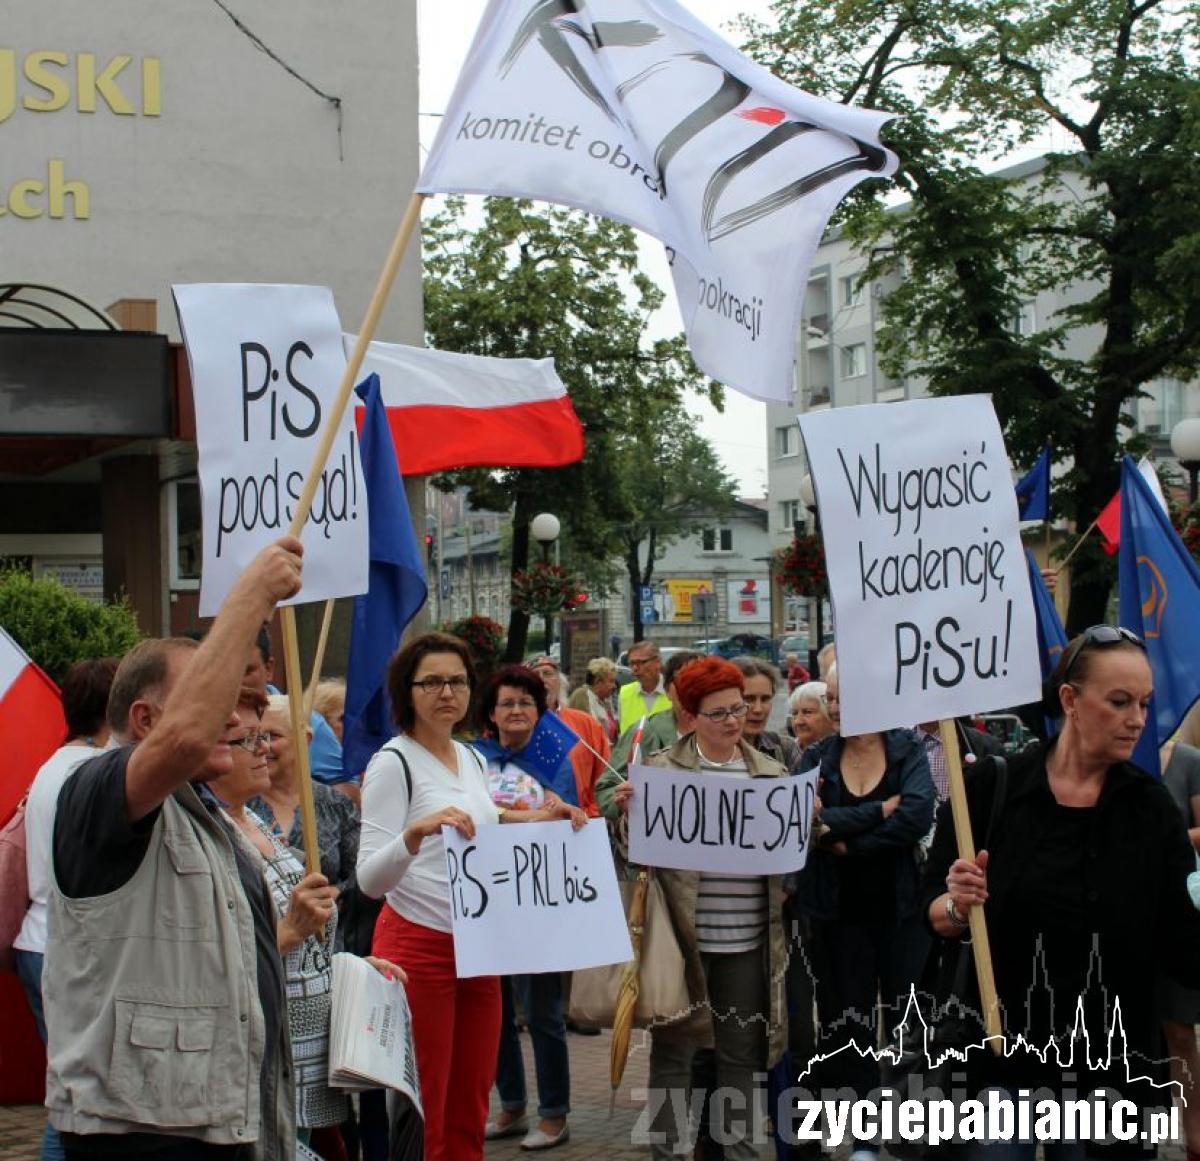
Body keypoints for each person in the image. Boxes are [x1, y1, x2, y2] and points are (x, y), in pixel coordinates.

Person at [44, 537, 305, 1159]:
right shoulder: (97, 788)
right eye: (214, 700)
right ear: (145, 721)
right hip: (141, 1133)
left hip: (212, 1119)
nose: (236, 722)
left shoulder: (205, 814)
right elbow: (185, 739)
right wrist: (252, 595)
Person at [927, 626, 1200, 1161]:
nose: (1137, 719)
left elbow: (1183, 945)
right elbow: (934, 913)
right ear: (1070, 700)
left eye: (1144, 703)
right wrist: (958, 903)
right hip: (1003, 1058)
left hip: (1113, 1072)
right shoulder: (992, 789)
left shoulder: (1152, 809)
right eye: (1119, 702)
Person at [357, 633, 586, 1161]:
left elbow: (484, 820)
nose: (447, 692)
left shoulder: (468, 756)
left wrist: (540, 816)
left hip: (480, 944)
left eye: (457, 681)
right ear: (407, 690)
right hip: (418, 944)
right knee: (427, 1100)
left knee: (472, 1095)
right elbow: (369, 879)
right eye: (432, 682)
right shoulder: (394, 762)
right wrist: (415, 833)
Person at [611, 656, 791, 1160]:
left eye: (738, 708)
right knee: (673, 1057)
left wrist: (808, 818)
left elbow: (792, 855)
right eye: (719, 713)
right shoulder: (659, 771)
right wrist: (629, 818)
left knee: (741, 1059)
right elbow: (633, 855)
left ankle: (743, 1154)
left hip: (746, 942)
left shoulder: (770, 774)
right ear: (690, 717)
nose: (733, 720)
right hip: (680, 943)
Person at [796, 666, 935, 1161]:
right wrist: (876, 812)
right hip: (837, 912)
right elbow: (803, 822)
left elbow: (917, 814)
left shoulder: (906, 748)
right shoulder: (816, 756)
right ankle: (861, 1136)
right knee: (847, 1025)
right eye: (830, 698)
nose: (834, 707)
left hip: (900, 908)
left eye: (844, 697)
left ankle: (907, 1132)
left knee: (907, 1023)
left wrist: (849, 842)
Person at [207, 690, 352, 1150]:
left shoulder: (251, 819)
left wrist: (353, 972)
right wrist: (290, 930)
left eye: (265, 737)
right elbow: (216, 956)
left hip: (303, 1047)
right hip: (265, 1049)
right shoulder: (210, 834)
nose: (263, 749)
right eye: (248, 740)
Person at [474, 665, 583, 1150]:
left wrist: (546, 815)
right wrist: (528, 816)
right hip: (485, 903)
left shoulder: (555, 760)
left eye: (526, 702)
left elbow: (564, 818)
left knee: (542, 1012)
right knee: (493, 1012)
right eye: (507, 703)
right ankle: (512, 1105)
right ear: (491, 713)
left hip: (536, 904)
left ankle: (554, 1113)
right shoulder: (473, 760)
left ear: (540, 712)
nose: (516, 710)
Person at [14, 656, 117, 1161]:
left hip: (42, 940)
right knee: (79, 1098)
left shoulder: (54, 765)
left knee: (72, 1090)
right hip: (68, 947)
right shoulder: (92, 771)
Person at [249, 695, 360, 947]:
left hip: (327, 952)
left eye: (273, 736)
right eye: (255, 737)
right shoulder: (239, 805)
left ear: (305, 739)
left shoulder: (335, 805)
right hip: (264, 948)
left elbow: (362, 873)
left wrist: (338, 892)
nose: (262, 746)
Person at [1160, 736, 1200, 1161]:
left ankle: (1194, 1137)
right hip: (1124, 919)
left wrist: (1164, 838)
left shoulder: (1187, 761)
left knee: (1180, 1031)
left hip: (1177, 917)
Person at [602, 650, 702, 788]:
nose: (692, 689)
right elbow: (608, 785)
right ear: (668, 690)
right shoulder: (643, 731)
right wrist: (622, 797)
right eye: (683, 681)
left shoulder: (728, 732)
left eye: (701, 681)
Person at [527, 654, 609, 817]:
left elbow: (604, 777)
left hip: (582, 821)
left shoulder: (586, 723)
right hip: (530, 822)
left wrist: (592, 812)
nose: (541, 680)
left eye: (547, 673)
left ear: (559, 682)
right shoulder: (513, 727)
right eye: (534, 675)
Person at [732, 656, 801, 771]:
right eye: (748, 699)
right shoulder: (703, 754)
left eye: (765, 699)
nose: (758, 709)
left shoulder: (785, 749)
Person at [618, 640, 673, 734]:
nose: (635, 668)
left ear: (657, 662)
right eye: (632, 663)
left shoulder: (675, 691)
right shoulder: (624, 693)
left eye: (640, 662)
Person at [567, 657, 619, 743]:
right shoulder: (582, 696)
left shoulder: (605, 700)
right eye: (611, 681)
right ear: (598, 682)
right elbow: (586, 735)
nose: (615, 686)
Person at [788, 680, 835, 752]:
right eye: (794, 713)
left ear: (829, 714)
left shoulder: (847, 753)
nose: (798, 721)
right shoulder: (784, 753)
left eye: (807, 712)